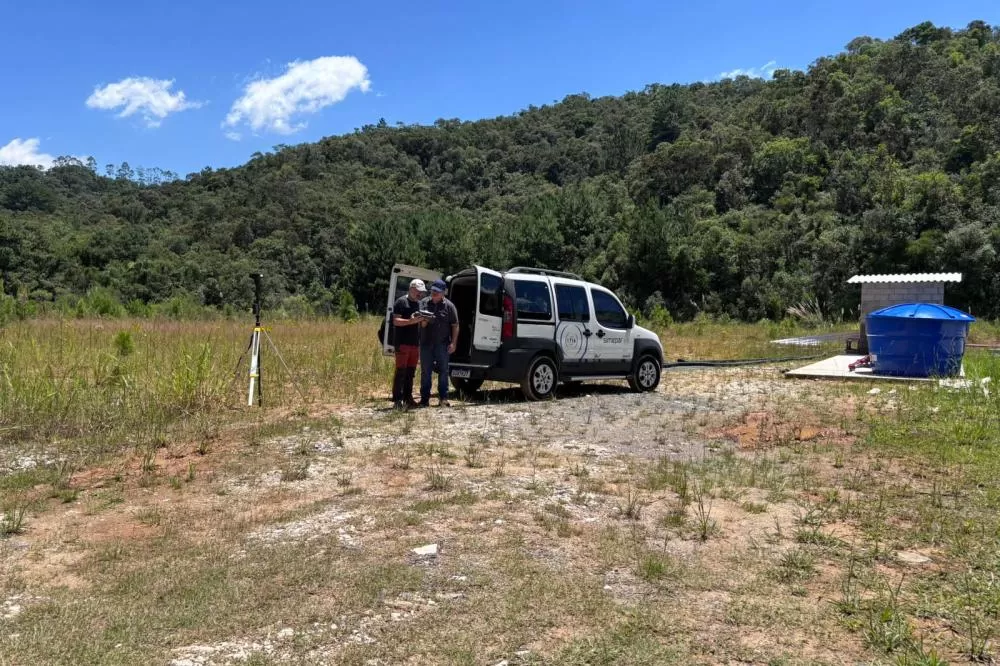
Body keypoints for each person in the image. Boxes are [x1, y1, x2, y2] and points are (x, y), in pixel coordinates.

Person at [418, 279, 459, 407]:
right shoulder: (424, 303)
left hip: (442, 344)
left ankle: (443, 398)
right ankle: (424, 399)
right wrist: (423, 321)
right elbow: (419, 322)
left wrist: (453, 343)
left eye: (437, 291)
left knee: (443, 371)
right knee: (426, 371)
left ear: (443, 293)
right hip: (426, 343)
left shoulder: (449, 306)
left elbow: (455, 325)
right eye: (433, 290)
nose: (434, 293)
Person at [391, 279, 426, 409]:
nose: (420, 294)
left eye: (421, 292)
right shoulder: (401, 302)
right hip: (402, 343)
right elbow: (396, 321)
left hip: (415, 343)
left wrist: (424, 320)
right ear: (411, 289)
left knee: (411, 372)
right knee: (401, 372)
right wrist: (410, 321)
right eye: (418, 291)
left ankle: (407, 398)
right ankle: (397, 400)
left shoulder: (420, 304)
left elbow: (421, 324)